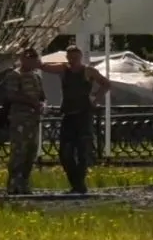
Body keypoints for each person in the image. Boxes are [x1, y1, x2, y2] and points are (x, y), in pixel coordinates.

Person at [43, 45, 111, 194]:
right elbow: (45, 67)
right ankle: (75, 182)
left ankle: (79, 185)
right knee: (65, 153)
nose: (73, 60)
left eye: (75, 57)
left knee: (82, 151)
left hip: (83, 115)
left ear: (80, 57)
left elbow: (106, 84)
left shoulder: (88, 71)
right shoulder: (63, 69)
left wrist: (95, 99)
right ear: (67, 57)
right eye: (70, 57)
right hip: (68, 115)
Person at [3, 48, 47, 194]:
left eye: (34, 58)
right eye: (29, 58)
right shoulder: (15, 75)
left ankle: (24, 182)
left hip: (33, 120)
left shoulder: (36, 76)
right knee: (19, 151)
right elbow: (12, 95)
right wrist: (30, 102)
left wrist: (42, 105)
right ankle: (13, 183)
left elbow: (42, 96)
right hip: (20, 119)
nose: (33, 61)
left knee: (31, 151)